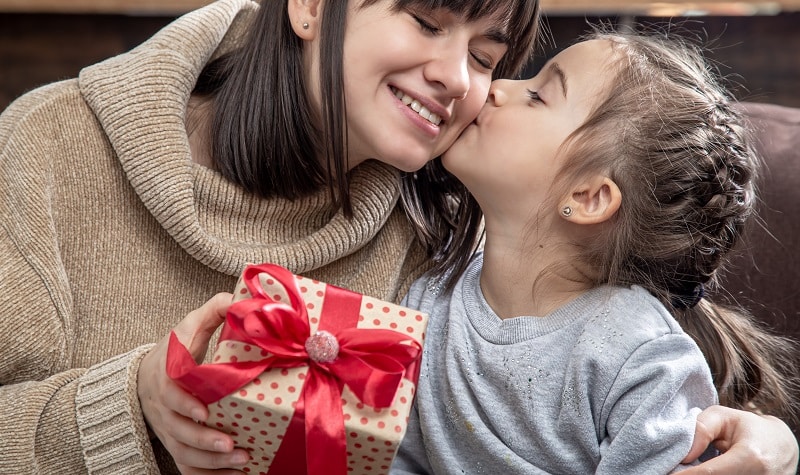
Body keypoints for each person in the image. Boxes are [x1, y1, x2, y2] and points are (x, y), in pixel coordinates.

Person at [0, 0, 795, 473]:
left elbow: (626, 310)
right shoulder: (52, 147)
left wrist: (764, 441)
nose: (466, 81)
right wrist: (128, 404)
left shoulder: (451, 210)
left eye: (490, 55)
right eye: (425, 19)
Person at [391, 28, 800, 474]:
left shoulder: (639, 358)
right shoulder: (428, 290)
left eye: (537, 95)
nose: (497, 89)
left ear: (588, 198)